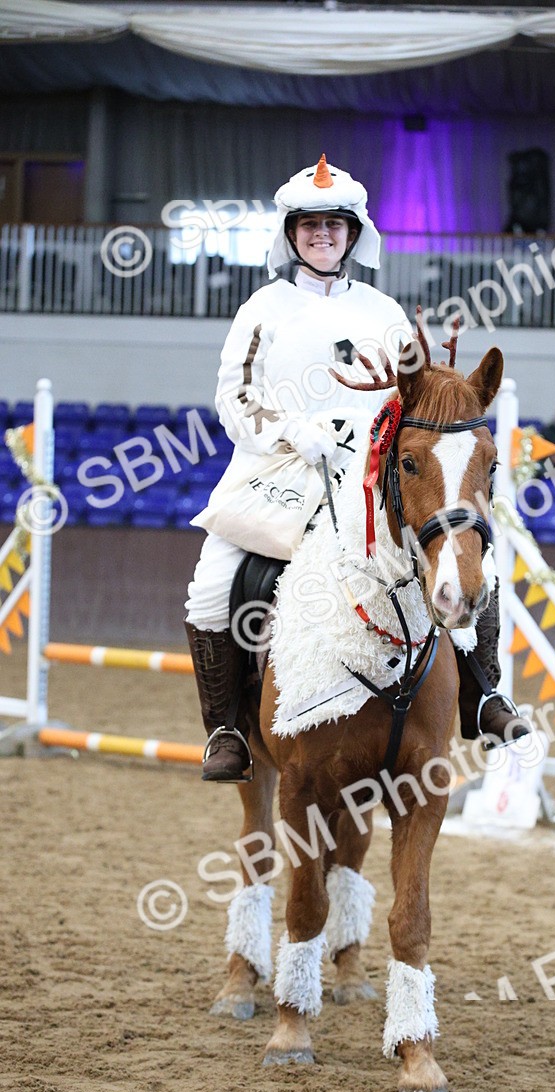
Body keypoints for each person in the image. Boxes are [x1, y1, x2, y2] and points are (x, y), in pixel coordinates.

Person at [184, 155, 526, 782]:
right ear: (292, 234)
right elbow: (233, 398)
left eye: (334, 225)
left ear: (352, 234)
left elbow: (412, 398)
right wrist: (293, 430)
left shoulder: (384, 310)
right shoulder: (262, 308)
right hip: (277, 475)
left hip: (370, 477)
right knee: (211, 585)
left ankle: (484, 697)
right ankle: (227, 729)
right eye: (310, 225)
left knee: (471, 563)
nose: (322, 235)